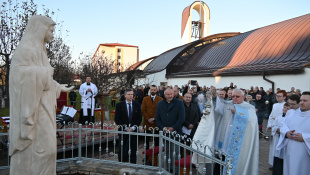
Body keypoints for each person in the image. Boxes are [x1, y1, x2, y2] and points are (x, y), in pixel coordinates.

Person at [9, 15, 74, 175]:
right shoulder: (25, 50)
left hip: (43, 107)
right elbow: (19, 77)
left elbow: (45, 80)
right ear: (41, 29)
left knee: (49, 150)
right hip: (33, 110)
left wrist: (58, 86)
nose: (52, 34)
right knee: (42, 151)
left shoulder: (41, 52)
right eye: (51, 30)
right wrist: (45, 73)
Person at [214, 89, 259, 175]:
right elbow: (218, 109)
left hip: (238, 142)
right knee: (221, 160)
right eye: (233, 96)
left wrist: (238, 113)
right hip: (225, 140)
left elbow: (252, 122)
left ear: (243, 97)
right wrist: (213, 96)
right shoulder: (228, 104)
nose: (234, 98)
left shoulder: (249, 108)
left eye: (237, 96)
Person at [276, 91, 310, 175]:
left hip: (305, 153)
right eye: (301, 100)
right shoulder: (292, 114)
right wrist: (286, 133)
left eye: (305, 101)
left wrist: (305, 138)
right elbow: (283, 125)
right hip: (290, 151)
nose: (302, 103)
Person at [155, 88, 185, 173]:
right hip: (165, 132)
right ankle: (168, 168)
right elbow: (157, 118)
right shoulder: (160, 104)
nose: (170, 96)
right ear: (164, 95)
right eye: (168, 94)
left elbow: (181, 118)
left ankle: (176, 170)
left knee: (176, 152)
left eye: (171, 94)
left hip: (176, 132)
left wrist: (173, 127)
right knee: (167, 151)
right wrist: (162, 127)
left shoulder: (179, 103)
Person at [114, 89, 142, 164]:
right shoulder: (119, 105)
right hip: (123, 130)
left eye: (132, 94)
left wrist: (133, 128)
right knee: (122, 149)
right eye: (129, 94)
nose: (130, 96)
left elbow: (139, 118)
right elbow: (117, 119)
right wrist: (125, 127)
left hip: (134, 131)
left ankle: (133, 164)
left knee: (133, 149)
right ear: (125, 95)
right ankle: (122, 163)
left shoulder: (137, 104)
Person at [266, 90, 286, 169]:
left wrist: (277, 119)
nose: (277, 97)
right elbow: (271, 115)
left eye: (279, 96)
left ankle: (280, 165)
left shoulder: (286, 105)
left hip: (281, 128)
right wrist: (269, 125)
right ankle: (273, 164)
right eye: (277, 96)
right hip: (274, 128)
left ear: (284, 97)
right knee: (273, 147)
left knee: (280, 146)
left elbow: (286, 116)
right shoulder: (275, 105)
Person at [141, 85, 163, 154]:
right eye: (151, 89)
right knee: (146, 141)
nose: (152, 91)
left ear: (156, 90)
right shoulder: (145, 99)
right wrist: (148, 119)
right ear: (149, 90)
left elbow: (160, 111)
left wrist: (154, 119)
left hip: (156, 123)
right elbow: (143, 110)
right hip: (147, 123)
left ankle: (156, 156)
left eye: (154, 89)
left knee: (156, 141)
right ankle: (146, 156)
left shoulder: (160, 99)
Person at [271, 102, 290, 175]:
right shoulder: (279, 117)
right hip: (278, 139)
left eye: (287, 108)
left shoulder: (290, 118)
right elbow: (274, 125)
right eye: (284, 107)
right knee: (277, 158)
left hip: (286, 141)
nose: (285, 109)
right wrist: (277, 129)